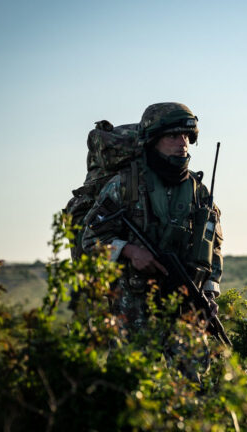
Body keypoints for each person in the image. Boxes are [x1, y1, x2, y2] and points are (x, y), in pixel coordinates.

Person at [80, 102, 223, 335]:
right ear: (153, 141)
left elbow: (213, 250)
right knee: (133, 371)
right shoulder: (126, 185)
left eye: (186, 136)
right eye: (173, 136)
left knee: (191, 370)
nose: (182, 143)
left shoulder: (199, 192)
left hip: (186, 310)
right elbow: (90, 240)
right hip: (134, 314)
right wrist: (128, 251)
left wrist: (207, 294)